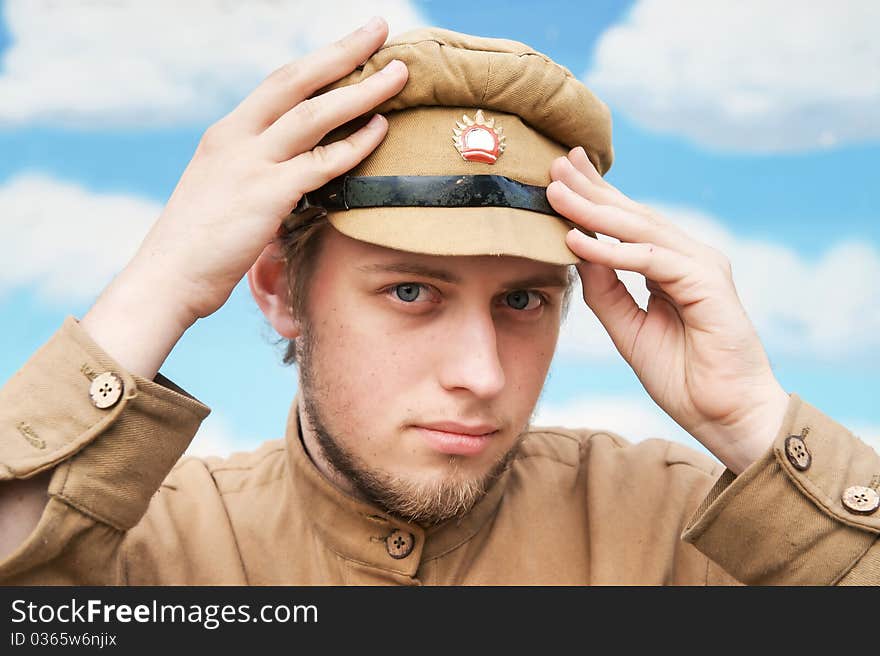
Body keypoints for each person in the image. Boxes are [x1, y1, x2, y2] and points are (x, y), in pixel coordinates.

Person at [0, 20, 878, 586]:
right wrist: (157, 287)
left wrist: (754, 421)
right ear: (279, 291)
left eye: (525, 300)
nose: (480, 373)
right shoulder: (143, 542)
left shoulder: (691, 533)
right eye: (412, 290)